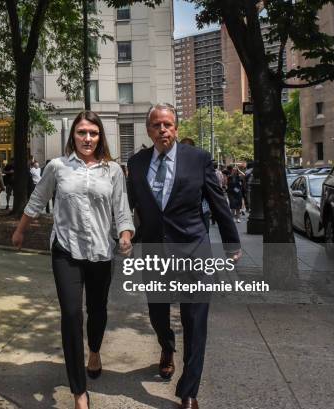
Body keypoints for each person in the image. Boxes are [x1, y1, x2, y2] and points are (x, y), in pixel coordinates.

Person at [12, 111, 135, 409]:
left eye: (93, 133)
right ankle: (79, 391)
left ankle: (94, 350)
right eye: (82, 132)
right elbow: (38, 199)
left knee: (97, 310)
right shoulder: (57, 166)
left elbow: (122, 209)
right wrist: (20, 231)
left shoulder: (113, 171)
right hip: (65, 251)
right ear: (73, 136)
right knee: (70, 315)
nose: (87, 138)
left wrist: (126, 234)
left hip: (101, 253)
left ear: (100, 136)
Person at [126, 103, 241, 409]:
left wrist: (232, 242)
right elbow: (128, 206)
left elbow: (218, 203)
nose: (162, 129)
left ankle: (189, 390)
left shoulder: (198, 159)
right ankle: (166, 346)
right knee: (157, 314)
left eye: (167, 124)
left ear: (176, 128)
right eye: (156, 125)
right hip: (153, 252)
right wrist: (125, 234)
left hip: (194, 250)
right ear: (149, 130)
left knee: (195, 321)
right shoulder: (136, 163)